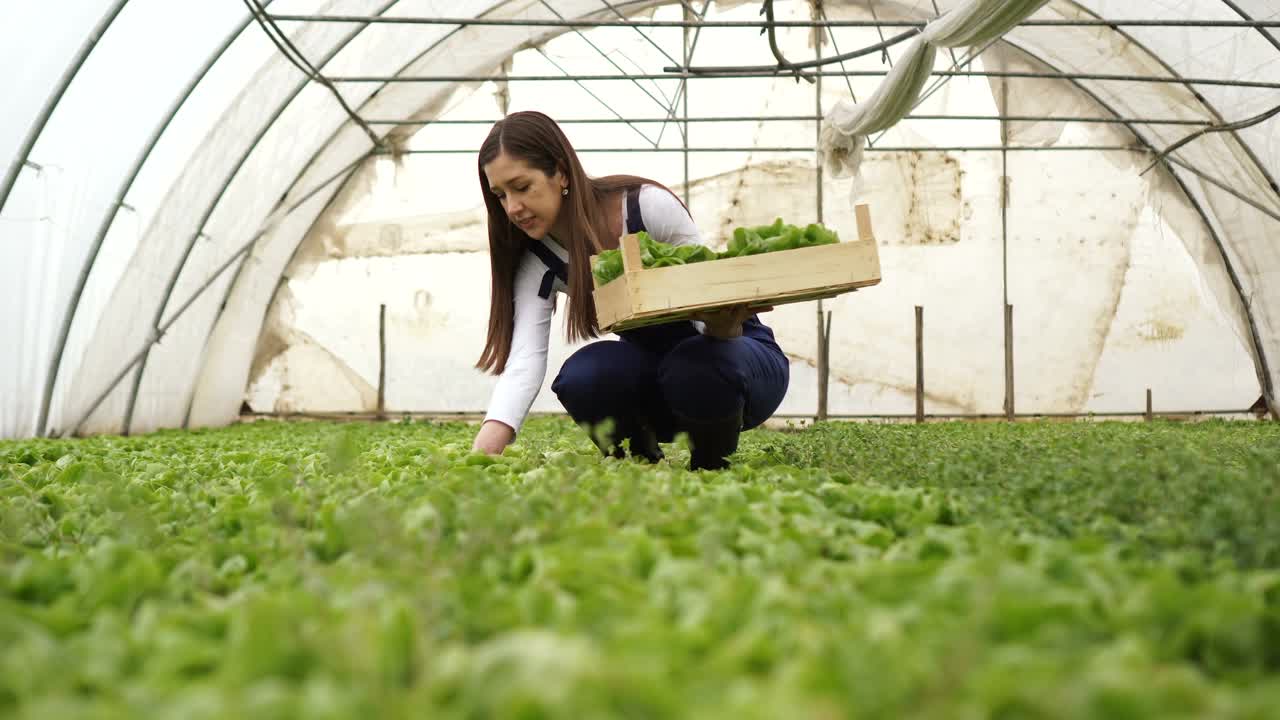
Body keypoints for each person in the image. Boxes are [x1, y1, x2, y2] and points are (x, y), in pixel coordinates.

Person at [471, 110, 789, 470]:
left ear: (560, 172)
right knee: (584, 377)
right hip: (663, 378)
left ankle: (711, 466)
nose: (512, 207)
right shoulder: (539, 258)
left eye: (522, 187)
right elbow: (525, 361)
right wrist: (481, 455)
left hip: (735, 360)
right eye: (500, 195)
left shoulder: (645, 207)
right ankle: (639, 467)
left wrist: (722, 326)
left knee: (694, 365)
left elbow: (708, 313)